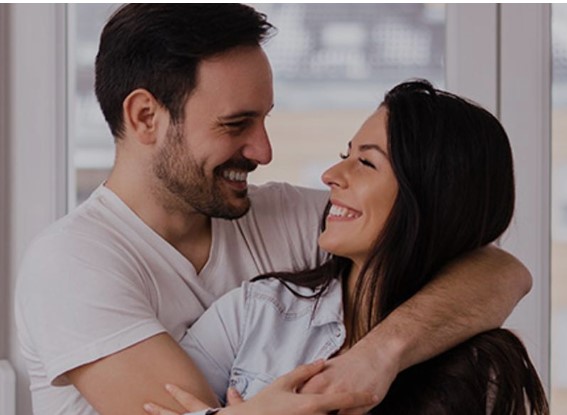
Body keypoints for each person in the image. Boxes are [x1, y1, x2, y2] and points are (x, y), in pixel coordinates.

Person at [14, 4, 531, 415]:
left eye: (264, 120)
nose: (263, 151)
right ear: (146, 116)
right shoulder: (72, 263)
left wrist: (378, 356)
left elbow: (498, 270)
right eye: (235, 124)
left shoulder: (290, 219)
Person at [143, 80, 548, 415]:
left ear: (435, 199)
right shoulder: (257, 313)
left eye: (366, 163)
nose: (331, 174)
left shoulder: (484, 368)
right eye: (345, 154)